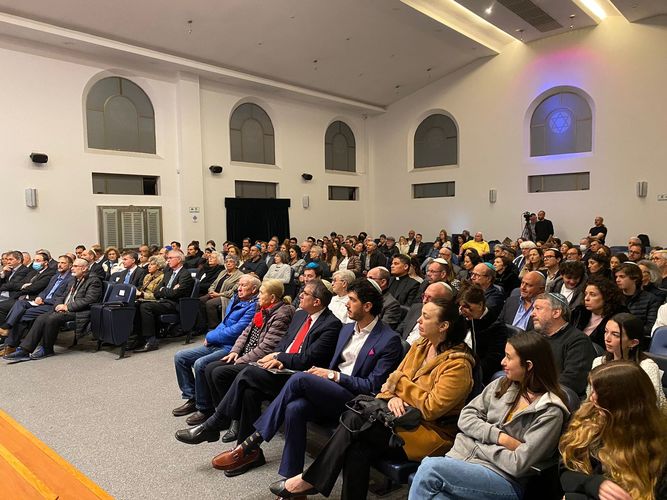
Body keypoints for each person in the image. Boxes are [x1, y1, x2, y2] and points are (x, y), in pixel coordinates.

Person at [271, 298, 474, 500]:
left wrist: (398, 386)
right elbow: (387, 385)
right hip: (397, 418)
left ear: (443, 326)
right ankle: (312, 480)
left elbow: (430, 408)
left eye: (426, 317)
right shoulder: (421, 345)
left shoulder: (458, 365)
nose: (419, 320)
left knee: (355, 421)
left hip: (427, 433)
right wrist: (393, 395)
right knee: (357, 446)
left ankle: (311, 480)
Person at [410, 331, 569, 500]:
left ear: (528, 365)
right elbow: (466, 417)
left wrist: (477, 441)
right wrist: (501, 438)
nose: (502, 362)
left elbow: (518, 464)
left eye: (509, 357)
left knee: (430, 467)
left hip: (503, 479)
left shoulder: (550, 411)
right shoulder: (502, 385)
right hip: (461, 460)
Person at [176, 279, 293, 442]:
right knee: (210, 369)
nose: (258, 296)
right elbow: (245, 333)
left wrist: (241, 359)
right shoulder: (262, 308)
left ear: (272, 298)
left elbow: (266, 348)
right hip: (244, 353)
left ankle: (231, 418)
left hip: (259, 360)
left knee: (218, 372)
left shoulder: (281, 314)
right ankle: (223, 415)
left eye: (261, 293)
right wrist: (235, 351)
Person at [560, 362, 667, 499]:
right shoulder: (586, 419)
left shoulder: (658, 445)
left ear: (619, 401)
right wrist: (594, 484)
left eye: (597, 393)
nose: (591, 397)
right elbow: (565, 472)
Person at [172, 275, 260, 422]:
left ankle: (204, 408)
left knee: (200, 363)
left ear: (254, 289)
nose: (239, 288)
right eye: (239, 285)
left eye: (243, 285)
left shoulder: (254, 306)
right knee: (180, 356)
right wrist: (212, 335)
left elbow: (236, 332)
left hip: (232, 347)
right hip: (219, 342)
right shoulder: (236, 299)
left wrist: (211, 336)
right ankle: (192, 397)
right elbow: (224, 323)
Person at [5, 258, 104, 361]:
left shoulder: (93, 280)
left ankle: (46, 349)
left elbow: (90, 299)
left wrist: (67, 307)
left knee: (51, 318)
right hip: (65, 309)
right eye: (73, 266)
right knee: (41, 318)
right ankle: (25, 350)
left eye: (75, 266)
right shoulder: (74, 279)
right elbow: (62, 296)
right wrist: (58, 305)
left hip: (80, 311)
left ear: (84, 268)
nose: (72, 268)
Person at [587, 313, 666, 410]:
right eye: (606, 331)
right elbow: (590, 398)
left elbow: (650, 405)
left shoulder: (647, 367)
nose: (607, 338)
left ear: (633, 342)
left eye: (615, 335)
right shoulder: (599, 362)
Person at [532, 293, 596, 397]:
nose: (532, 314)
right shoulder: (535, 336)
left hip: (553, 398)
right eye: (533, 309)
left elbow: (572, 380)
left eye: (538, 309)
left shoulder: (578, 341)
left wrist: (540, 394)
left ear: (556, 313)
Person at [134, 249, 195, 352]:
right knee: (137, 304)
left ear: (179, 259)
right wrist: (166, 290)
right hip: (163, 301)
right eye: (167, 258)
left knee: (146, 306)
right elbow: (157, 291)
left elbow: (176, 294)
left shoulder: (185, 274)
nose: (168, 260)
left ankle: (151, 341)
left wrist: (164, 290)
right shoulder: (168, 273)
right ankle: (138, 339)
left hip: (175, 304)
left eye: (170, 258)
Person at [458, 283, 508, 383]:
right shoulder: (463, 319)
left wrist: (468, 371)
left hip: (476, 374)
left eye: (466, 306)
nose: (462, 310)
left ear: (480, 305)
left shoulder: (496, 327)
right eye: (460, 306)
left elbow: (492, 361)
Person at [571, 278, 626, 348]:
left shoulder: (618, 318)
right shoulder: (578, 312)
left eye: (592, 295)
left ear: (606, 297)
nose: (586, 298)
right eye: (586, 294)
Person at [615, 262, 660, 342]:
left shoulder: (651, 299)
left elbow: (650, 327)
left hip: (638, 340)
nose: (617, 280)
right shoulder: (615, 297)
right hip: (615, 336)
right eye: (616, 277)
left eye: (622, 276)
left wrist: (626, 332)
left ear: (635, 278)